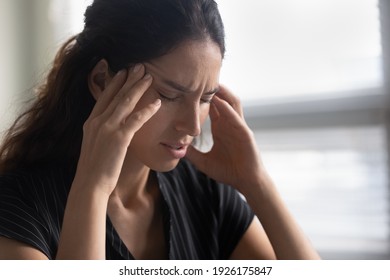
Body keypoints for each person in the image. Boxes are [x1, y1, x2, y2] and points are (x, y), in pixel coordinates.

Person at [0, 0, 320, 260]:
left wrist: (257, 184)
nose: (193, 126)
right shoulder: (19, 206)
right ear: (101, 81)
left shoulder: (204, 193)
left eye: (206, 98)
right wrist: (93, 189)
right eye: (168, 95)